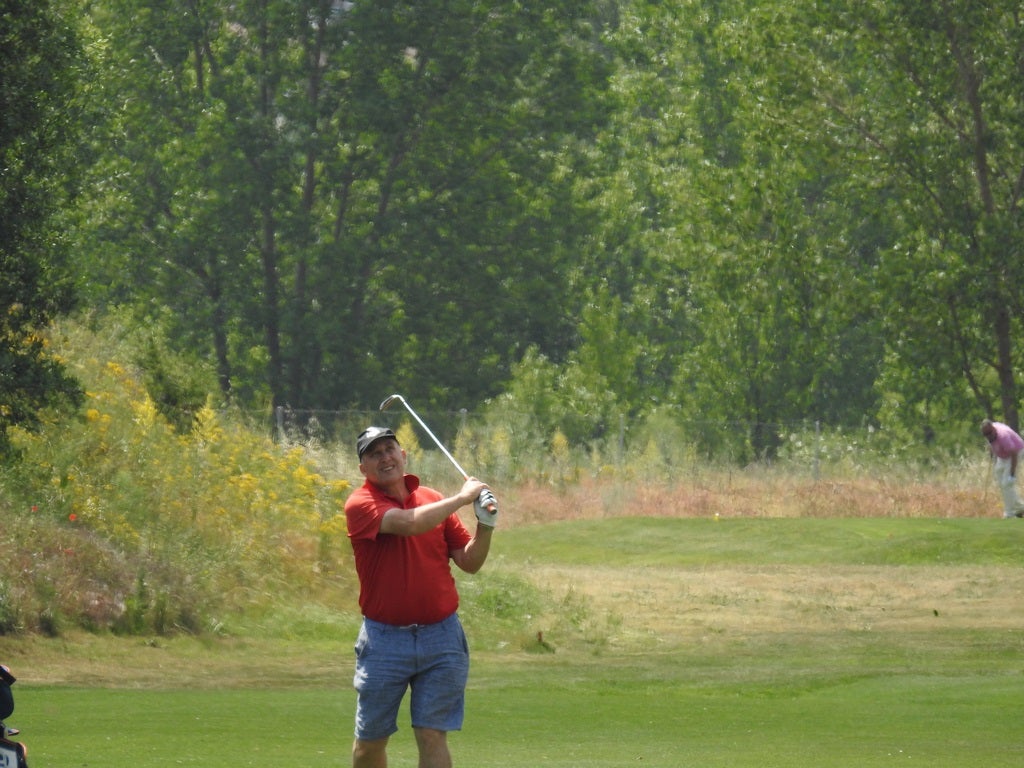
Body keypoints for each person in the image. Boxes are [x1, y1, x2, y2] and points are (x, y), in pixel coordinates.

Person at [344, 425, 498, 768]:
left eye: (389, 449)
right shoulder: (360, 503)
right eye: (374, 453)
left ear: (404, 455)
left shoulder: (431, 498)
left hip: (441, 637)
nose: (385, 457)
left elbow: (469, 561)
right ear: (363, 468)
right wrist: (461, 498)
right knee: (370, 742)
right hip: (384, 641)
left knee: (432, 734)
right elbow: (409, 523)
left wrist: (486, 524)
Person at [980, 418, 1024, 518]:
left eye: (989, 433)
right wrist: (992, 452)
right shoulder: (989, 433)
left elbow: (1014, 454)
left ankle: (1009, 513)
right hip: (1003, 456)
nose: (988, 436)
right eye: (985, 435)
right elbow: (992, 444)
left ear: (993, 429)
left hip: (1016, 452)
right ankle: (1020, 507)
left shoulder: (1003, 436)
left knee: (1007, 483)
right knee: (1001, 481)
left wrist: (1012, 473)